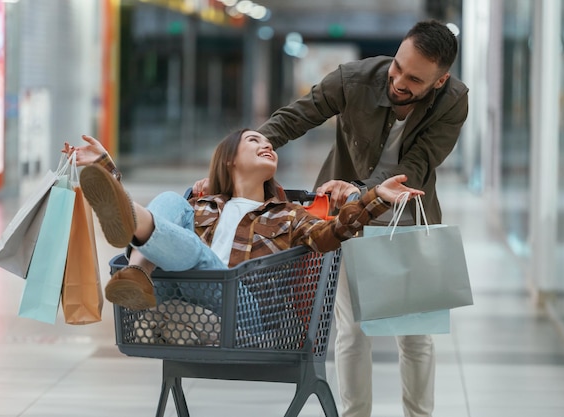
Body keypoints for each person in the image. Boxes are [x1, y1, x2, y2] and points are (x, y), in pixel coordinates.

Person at [254, 19, 469, 417]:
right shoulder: (353, 79)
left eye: (415, 79)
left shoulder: (453, 100)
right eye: (398, 66)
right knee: (352, 330)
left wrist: (360, 190)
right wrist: (241, 155)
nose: (400, 81)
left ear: (439, 81)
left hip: (408, 218)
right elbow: (294, 118)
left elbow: (418, 165)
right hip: (348, 222)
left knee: (416, 335)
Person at [64, 131, 424, 315]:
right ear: (229, 160)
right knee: (173, 204)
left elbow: (334, 233)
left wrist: (375, 197)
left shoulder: (289, 215)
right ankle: (137, 274)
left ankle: (135, 267)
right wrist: (106, 167)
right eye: (254, 140)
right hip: (184, 294)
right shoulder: (200, 204)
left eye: (270, 144)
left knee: (197, 258)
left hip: (243, 309)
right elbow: (160, 230)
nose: (267, 145)